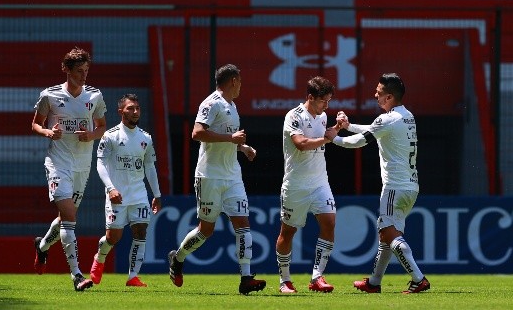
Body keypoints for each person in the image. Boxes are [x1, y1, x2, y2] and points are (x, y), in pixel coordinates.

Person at [324, 72, 430, 294]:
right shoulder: (406, 116)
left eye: (379, 92)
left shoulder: (387, 119)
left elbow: (359, 143)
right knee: (386, 235)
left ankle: (418, 279)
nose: (375, 95)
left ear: (389, 97)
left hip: (394, 187)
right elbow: (375, 131)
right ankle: (374, 282)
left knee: (389, 233)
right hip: (410, 186)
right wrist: (349, 125)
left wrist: (333, 137)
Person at [167, 63, 266, 295]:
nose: (241, 85)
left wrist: (243, 147)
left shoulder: (232, 106)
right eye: (240, 81)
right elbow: (197, 133)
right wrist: (232, 138)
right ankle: (178, 257)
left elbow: (229, 140)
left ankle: (246, 278)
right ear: (233, 80)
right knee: (206, 231)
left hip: (232, 176)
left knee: (243, 225)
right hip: (209, 175)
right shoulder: (211, 103)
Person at [31, 47, 107, 291]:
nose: (84, 76)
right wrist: (48, 132)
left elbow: (102, 127)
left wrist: (91, 135)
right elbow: (35, 124)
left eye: (86, 71)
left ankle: (42, 246)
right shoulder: (50, 95)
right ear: (66, 69)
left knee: (66, 217)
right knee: (70, 217)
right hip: (58, 163)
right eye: (79, 71)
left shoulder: (94, 96)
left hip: (82, 165)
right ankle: (76, 275)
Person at [276, 76, 340, 294]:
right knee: (288, 232)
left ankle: (317, 277)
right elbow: (301, 144)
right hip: (295, 185)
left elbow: (323, 136)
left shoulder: (322, 117)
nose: (326, 106)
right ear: (310, 97)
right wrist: (328, 139)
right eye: (323, 101)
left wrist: (337, 127)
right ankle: (285, 280)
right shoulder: (293, 116)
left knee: (329, 222)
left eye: (329, 101)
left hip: (320, 182)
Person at [89, 94, 162, 287]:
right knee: (114, 238)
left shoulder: (145, 138)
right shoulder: (111, 136)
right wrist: (111, 189)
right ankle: (100, 258)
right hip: (117, 195)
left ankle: (133, 276)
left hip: (139, 194)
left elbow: (150, 167)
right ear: (121, 111)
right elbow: (100, 164)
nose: (135, 112)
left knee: (141, 232)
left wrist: (157, 195)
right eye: (130, 108)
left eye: (137, 108)